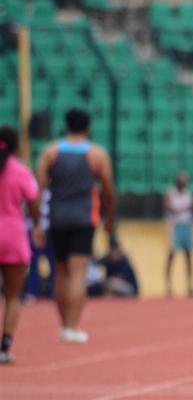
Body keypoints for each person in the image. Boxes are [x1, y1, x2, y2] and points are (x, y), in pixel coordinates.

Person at [35, 108, 115, 343]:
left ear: (66, 125)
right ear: (88, 127)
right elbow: (109, 189)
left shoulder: (51, 152)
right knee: (78, 273)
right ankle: (72, 325)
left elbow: (37, 189)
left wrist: (39, 221)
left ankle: (63, 324)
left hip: (57, 217)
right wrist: (109, 217)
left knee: (60, 271)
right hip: (83, 218)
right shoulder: (96, 154)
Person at [0, 125, 42, 363]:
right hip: (13, 235)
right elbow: (34, 203)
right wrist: (36, 225)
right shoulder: (21, 171)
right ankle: (5, 346)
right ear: (17, 145)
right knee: (13, 295)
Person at [164, 169, 193, 297]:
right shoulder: (170, 193)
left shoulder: (189, 194)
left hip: (187, 226)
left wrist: (179, 210)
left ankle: (190, 286)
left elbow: (192, 208)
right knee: (171, 256)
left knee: (188, 257)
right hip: (175, 226)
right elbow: (169, 207)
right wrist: (183, 209)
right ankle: (168, 286)